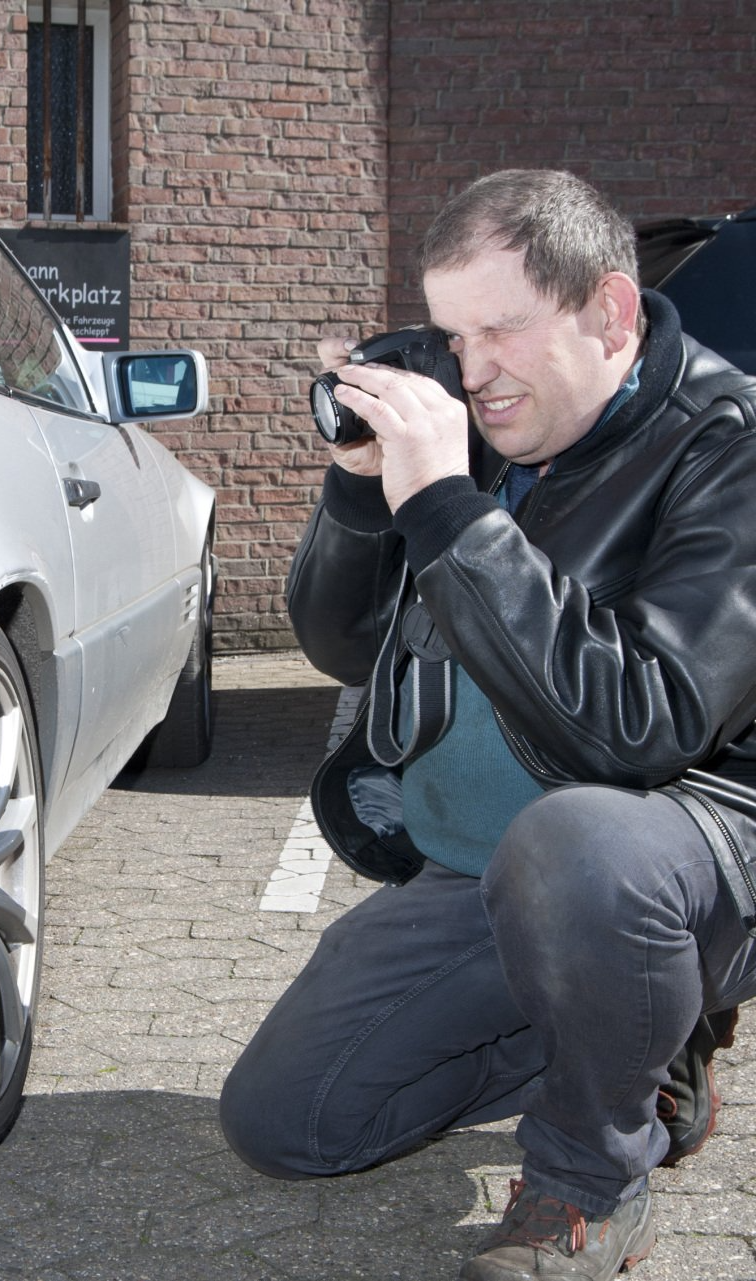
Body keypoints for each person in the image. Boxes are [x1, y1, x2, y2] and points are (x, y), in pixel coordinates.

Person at [218, 168, 756, 1280]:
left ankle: (588, 1182)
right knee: (288, 1122)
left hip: (683, 846)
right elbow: (342, 645)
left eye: (502, 330)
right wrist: (366, 487)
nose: (469, 372)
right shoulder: (484, 438)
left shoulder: (730, 448)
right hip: (483, 873)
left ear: (610, 312)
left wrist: (448, 508)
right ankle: (635, 1031)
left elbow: (644, 727)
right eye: (452, 336)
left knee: (581, 847)